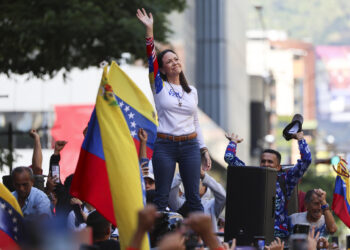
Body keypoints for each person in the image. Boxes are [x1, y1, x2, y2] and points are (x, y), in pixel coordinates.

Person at [136, 8, 211, 213]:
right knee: (161, 198)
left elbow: (196, 122)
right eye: (169, 61)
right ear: (162, 69)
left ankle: (196, 243)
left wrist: (203, 150)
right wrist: (150, 30)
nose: (174, 62)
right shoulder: (158, 86)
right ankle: (158, 242)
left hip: (189, 145)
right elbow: (151, 57)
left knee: (194, 199)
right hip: (165, 146)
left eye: (176, 59)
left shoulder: (191, 91)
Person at [224, 131, 312, 240]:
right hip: (255, 237)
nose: (266, 164)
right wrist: (233, 142)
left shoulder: (286, 179)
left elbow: (306, 159)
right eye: (263, 161)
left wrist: (300, 139)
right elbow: (229, 158)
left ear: (278, 167)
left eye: (270, 162)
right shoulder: (251, 177)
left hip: (279, 238)